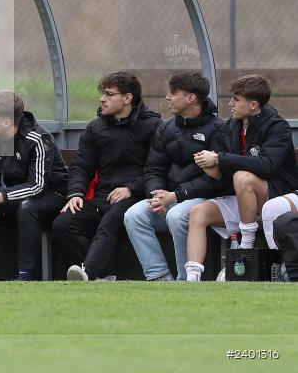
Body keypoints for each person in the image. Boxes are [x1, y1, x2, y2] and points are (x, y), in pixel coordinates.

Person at [186, 74, 298, 281]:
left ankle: (244, 250)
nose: (230, 104)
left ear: (254, 105)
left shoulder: (277, 127)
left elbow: (266, 166)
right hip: (243, 199)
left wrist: (220, 159)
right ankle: (192, 278)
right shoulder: (231, 126)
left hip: (274, 197)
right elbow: (224, 176)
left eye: (236, 99)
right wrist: (214, 171)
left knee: (243, 177)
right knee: (198, 212)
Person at [53, 71, 161, 281]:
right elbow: (81, 167)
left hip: (137, 198)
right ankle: (104, 274)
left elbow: (157, 169)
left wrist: (131, 188)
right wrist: (75, 193)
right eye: (103, 93)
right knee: (63, 224)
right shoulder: (95, 128)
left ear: (127, 98)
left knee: (110, 220)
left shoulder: (153, 126)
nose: (102, 99)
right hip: (102, 198)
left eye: (110, 94)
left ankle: (87, 272)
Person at [123, 72, 231, 281]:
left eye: (173, 93)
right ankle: (159, 277)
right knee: (133, 215)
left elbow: (217, 180)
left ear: (190, 98)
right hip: (171, 197)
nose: (167, 97)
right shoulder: (166, 128)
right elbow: (154, 168)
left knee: (177, 215)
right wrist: (156, 194)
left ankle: (185, 279)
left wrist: (176, 195)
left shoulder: (218, 129)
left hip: (205, 200)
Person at [0, 92, 68, 281]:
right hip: (18, 195)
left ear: (6, 122)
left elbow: (37, 186)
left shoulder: (37, 138)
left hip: (52, 194)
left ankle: (25, 276)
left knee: (27, 208)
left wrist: (0, 197)